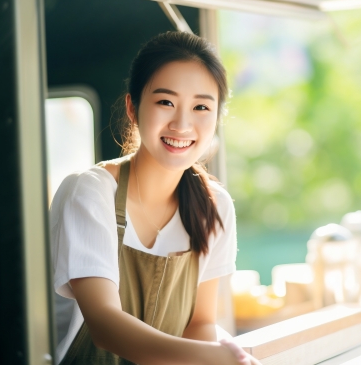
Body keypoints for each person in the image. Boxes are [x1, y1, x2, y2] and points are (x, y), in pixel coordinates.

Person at [50, 32, 260, 365]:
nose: (182, 123)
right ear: (133, 107)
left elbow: (201, 323)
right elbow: (104, 324)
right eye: (166, 102)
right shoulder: (90, 193)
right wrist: (219, 358)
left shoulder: (215, 206)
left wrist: (224, 355)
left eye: (201, 107)